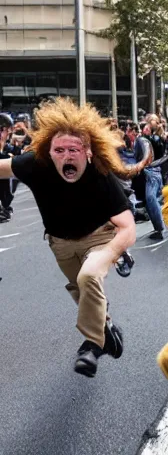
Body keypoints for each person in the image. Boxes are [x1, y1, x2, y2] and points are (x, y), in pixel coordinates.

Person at [0, 98, 140, 377]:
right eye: (59, 150)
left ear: (88, 152)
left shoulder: (100, 175)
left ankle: (92, 346)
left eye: (74, 149)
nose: (67, 156)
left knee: (89, 277)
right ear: (48, 152)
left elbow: (128, 227)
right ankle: (106, 328)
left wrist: (107, 256)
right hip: (59, 242)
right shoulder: (34, 164)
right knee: (81, 288)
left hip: (98, 237)